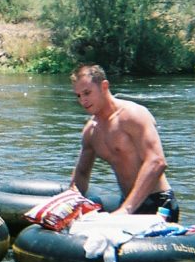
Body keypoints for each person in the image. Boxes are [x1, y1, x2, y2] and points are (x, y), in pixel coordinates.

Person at [67, 63, 180, 221]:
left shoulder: (133, 115)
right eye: (78, 95)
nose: (83, 100)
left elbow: (157, 161)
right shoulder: (91, 131)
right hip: (126, 202)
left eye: (87, 93)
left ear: (104, 86)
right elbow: (82, 173)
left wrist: (126, 209)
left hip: (157, 202)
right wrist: (69, 206)